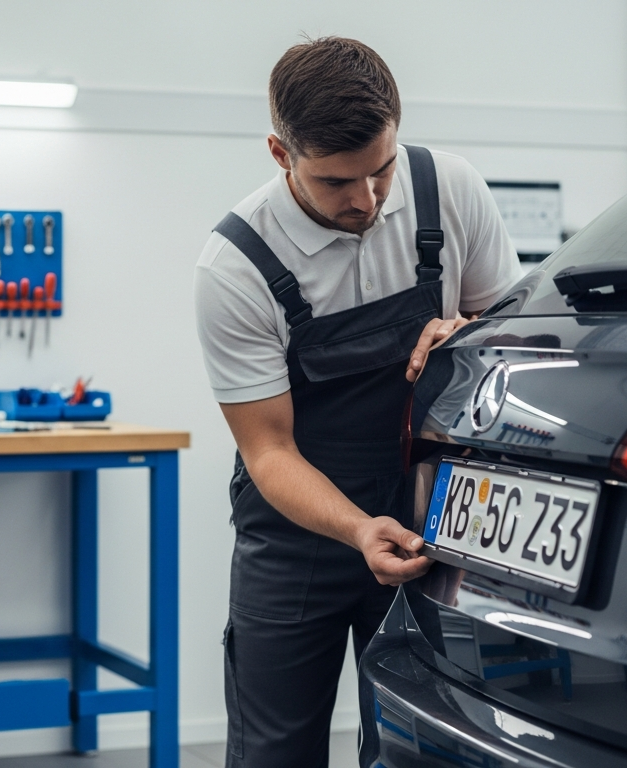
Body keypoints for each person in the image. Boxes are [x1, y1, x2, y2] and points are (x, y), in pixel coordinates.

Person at [193, 36, 522, 767]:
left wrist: (470, 332)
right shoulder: (236, 266)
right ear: (281, 155)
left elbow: (512, 334)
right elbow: (268, 450)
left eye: (382, 169)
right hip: (295, 531)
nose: (367, 201)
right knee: (274, 752)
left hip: (426, 515)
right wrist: (357, 528)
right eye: (337, 181)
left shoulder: (450, 188)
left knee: (418, 745)